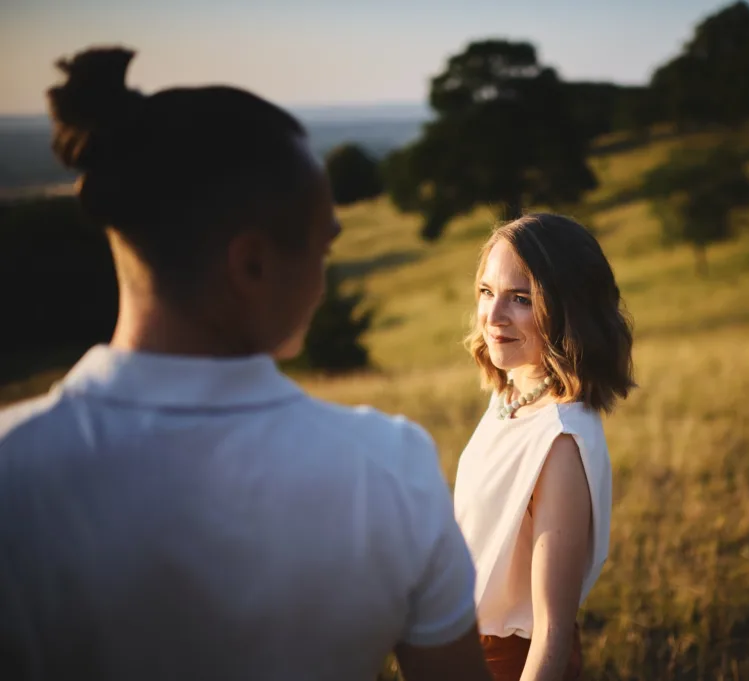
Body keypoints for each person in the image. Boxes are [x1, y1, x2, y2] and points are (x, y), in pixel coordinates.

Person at [0, 47, 491, 681]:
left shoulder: (15, 472)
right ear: (252, 264)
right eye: (323, 245)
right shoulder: (391, 468)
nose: (323, 276)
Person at [453, 214, 635, 680]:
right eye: (487, 292)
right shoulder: (511, 394)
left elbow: (551, 632)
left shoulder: (559, 441)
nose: (493, 317)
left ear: (566, 308)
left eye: (520, 299)